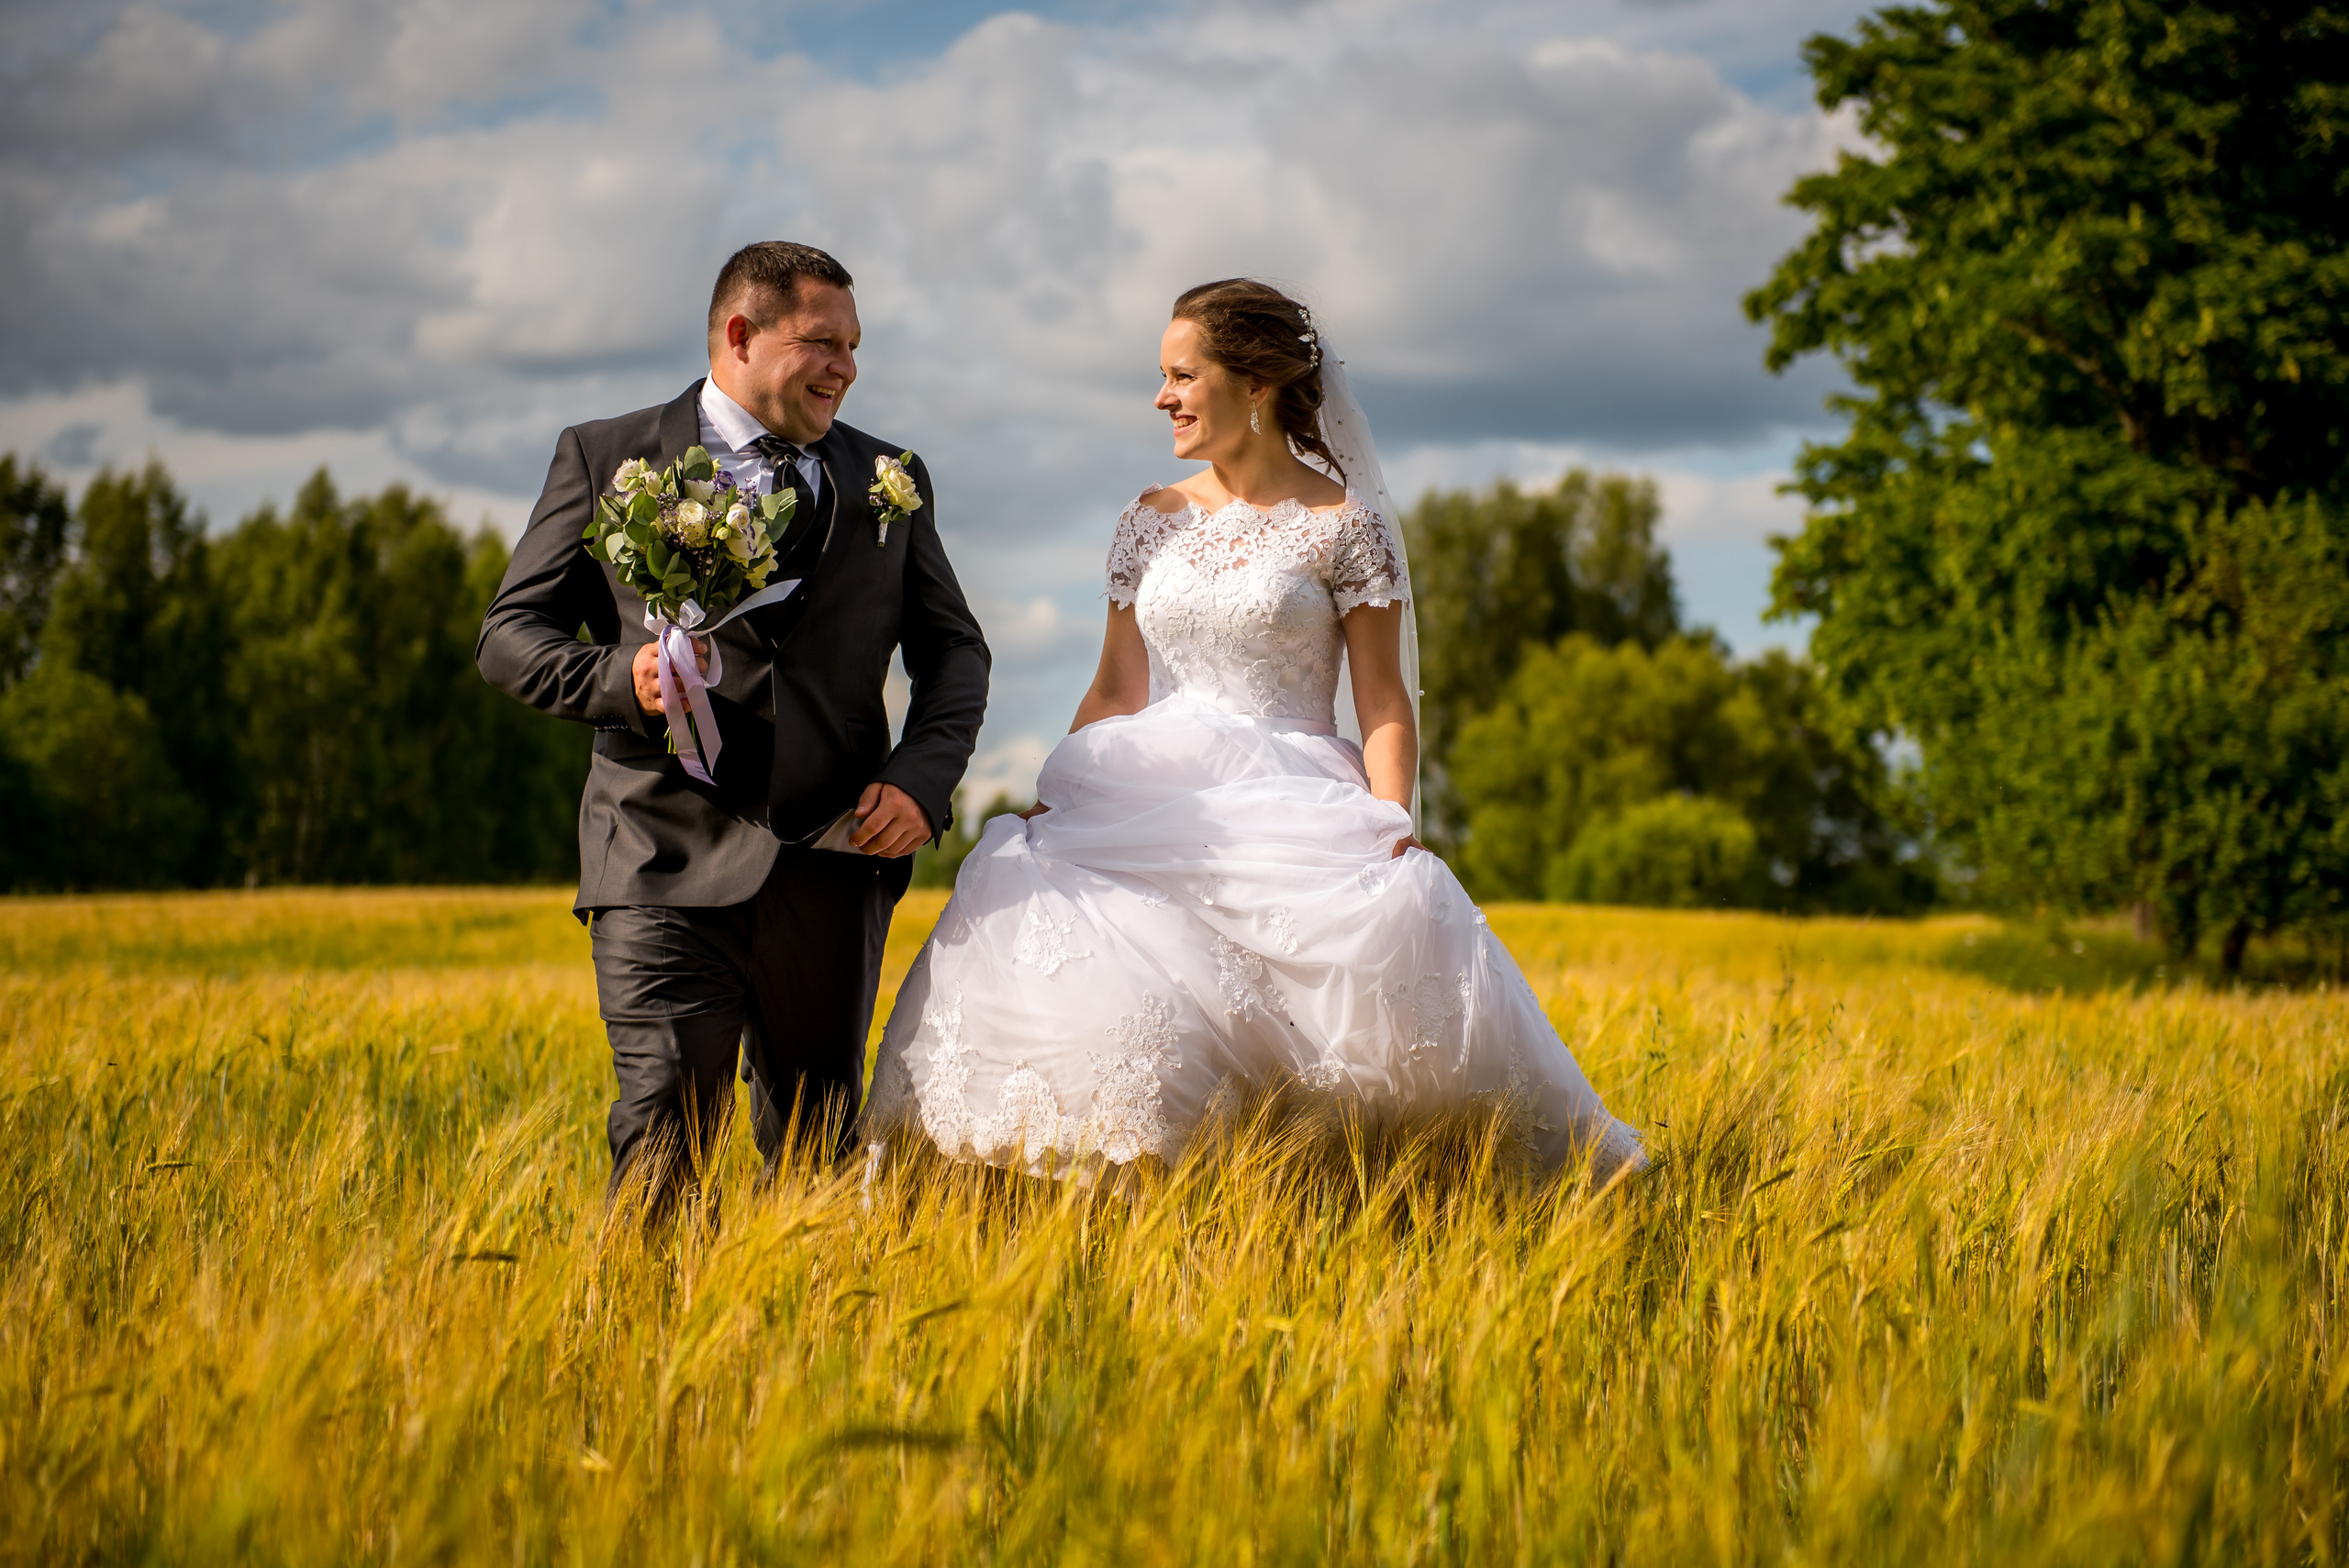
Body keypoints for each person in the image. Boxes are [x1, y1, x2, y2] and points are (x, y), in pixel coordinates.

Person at [863, 278, 1642, 1181]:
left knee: (1324, 1039)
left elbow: (1384, 700)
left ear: (1256, 384)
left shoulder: (1344, 527)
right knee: (1095, 970)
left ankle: (1321, 1203)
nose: (1163, 397)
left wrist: (1391, 824)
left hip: (1294, 796)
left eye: (1182, 375)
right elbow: (1115, 686)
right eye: (1163, 376)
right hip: (1151, 791)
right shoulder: (1148, 520)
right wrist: (1055, 798)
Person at [478, 241, 990, 1209]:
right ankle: (635, 1310)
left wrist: (922, 780)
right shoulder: (607, 457)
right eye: (822, 343)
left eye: (855, 346)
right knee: (665, 1125)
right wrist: (622, 679)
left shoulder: (890, 475)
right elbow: (508, 638)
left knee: (815, 1156)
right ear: (741, 334)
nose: (845, 367)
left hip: (832, 861)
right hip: (659, 854)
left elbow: (956, 650)